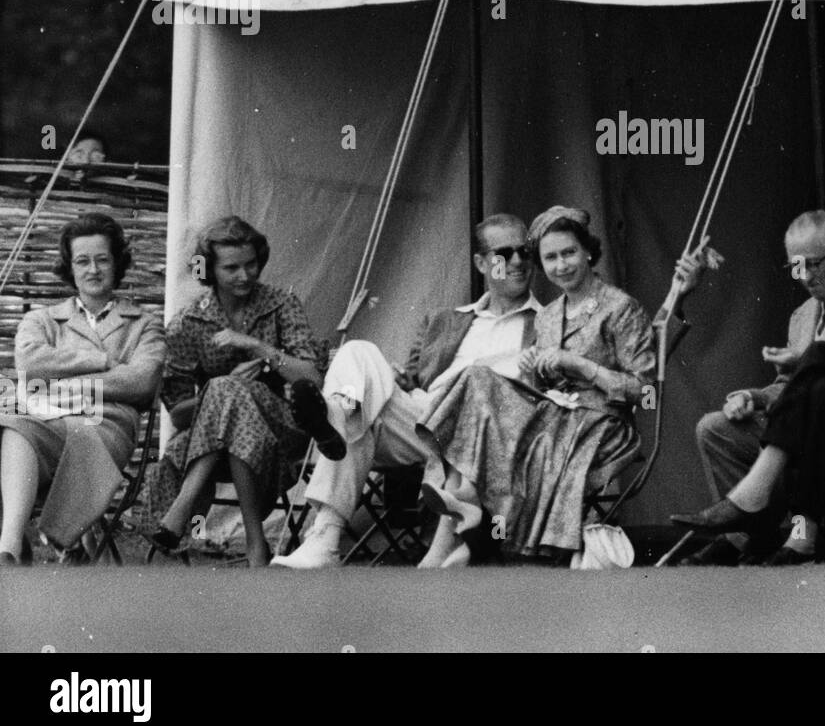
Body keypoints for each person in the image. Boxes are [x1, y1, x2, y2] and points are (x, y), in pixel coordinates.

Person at [270, 213, 545, 569]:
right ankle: (336, 418)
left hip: (490, 432)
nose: (519, 261)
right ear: (480, 263)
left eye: (525, 252)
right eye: (504, 253)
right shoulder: (444, 321)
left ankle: (325, 533)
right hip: (424, 421)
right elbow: (415, 378)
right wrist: (402, 379)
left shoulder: (548, 323)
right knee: (359, 352)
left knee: (360, 422)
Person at [670, 210, 825, 565]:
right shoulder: (802, 314)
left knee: (823, 385)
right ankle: (751, 534)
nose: (805, 276)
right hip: (806, 428)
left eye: (813, 264)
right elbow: (789, 389)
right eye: (795, 267)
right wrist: (752, 397)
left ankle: (766, 522)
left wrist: (809, 359)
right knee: (716, 428)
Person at [413, 206, 657, 566]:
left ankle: (465, 532)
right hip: (552, 416)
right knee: (476, 376)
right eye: (551, 258)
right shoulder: (548, 315)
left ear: (588, 251)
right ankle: (463, 510)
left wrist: (583, 367)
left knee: (492, 415)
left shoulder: (620, 308)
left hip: (600, 422)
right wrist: (534, 371)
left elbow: (646, 392)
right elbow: (546, 383)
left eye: (569, 253)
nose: (562, 266)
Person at [142, 216, 329, 566]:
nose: (245, 275)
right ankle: (257, 544)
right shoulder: (188, 323)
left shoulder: (281, 305)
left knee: (228, 390)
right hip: (210, 438)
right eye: (232, 268)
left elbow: (312, 378)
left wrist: (257, 346)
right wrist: (225, 390)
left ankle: (182, 508)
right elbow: (180, 413)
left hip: (284, 429)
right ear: (210, 270)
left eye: (251, 264)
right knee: (227, 391)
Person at [0, 213, 163, 563]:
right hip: (44, 419)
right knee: (15, 424)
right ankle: (9, 546)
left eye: (103, 259)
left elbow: (142, 381)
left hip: (107, 424)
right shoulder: (41, 319)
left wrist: (66, 384)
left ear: (117, 263)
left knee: (64, 429)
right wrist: (102, 360)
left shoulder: (144, 325)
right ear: (69, 267)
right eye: (82, 261)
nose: (93, 270)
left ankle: (62, 540)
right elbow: (29, 365)